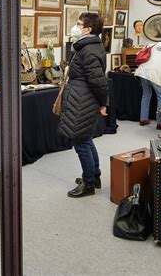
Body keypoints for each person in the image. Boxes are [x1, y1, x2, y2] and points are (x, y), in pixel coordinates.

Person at [58, 13, 108, 198]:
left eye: (79, 24)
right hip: (82, 95)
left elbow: (99, 81)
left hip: (83, 98)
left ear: (88, 29)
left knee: (81, 142)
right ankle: (94, 177)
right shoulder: (88, 45)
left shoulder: (88, 50)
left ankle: (88, 184)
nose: (75, 26)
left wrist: (103, 103)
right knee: (86, 138)